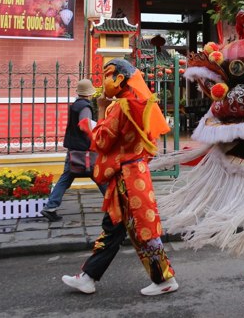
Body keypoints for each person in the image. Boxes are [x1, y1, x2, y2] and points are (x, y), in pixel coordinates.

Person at [62, 59, 178, 296]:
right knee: (116, 227)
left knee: (140, 231)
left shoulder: (121, 106)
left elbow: (102, 140)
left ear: (120, 79)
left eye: (108, 74)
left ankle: (164, 279)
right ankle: (88, 277)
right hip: (136, 173)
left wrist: (101, 110)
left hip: (127, 178)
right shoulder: (141, 104)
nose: (103, 80)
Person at [41, 79, 103, 222]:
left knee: (66, 179)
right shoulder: (85, 107)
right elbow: (84, 124)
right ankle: (115, 206)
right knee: (100, 178)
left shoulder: (76, 105)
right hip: (83, 150)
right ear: (90, 93)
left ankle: (50, 206)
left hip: (74, 149)